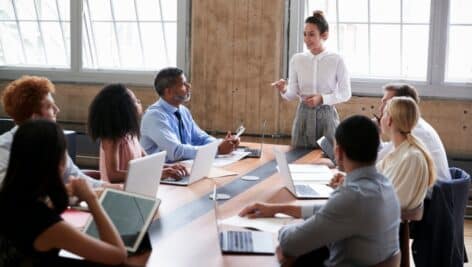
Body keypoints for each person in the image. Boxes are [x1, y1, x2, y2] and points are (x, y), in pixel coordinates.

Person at [239, 115, 400, 266]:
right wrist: (279, 209)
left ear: (339, 152)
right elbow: (329, 211)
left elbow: (290, 243)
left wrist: (282, 227)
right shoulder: (385, 185)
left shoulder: (352, 197)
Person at [0, 120, 126, 265]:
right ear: (58, 163)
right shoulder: (46, 224)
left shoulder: (11, 199)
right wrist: (91, 199)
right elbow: (118, 255)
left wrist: (65, 196)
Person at [0, 76, 103, 188]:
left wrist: (119, 189)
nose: (57, 110)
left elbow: (80, 179)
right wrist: (73, 193)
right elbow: (15, 195)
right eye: (49, 107)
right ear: (34, 119)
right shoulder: (3, 149)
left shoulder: (52, 142)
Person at [272, 11, 351, 148]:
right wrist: (283, 89)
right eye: (305, 34)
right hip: (303, 116)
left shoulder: (337, 59)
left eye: (311, 34)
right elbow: (291, 94)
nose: (307, 39)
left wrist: (322, 99)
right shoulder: (297, 59)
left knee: (329, 160)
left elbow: (345, 93)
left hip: (327, 117)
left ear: (324, 35)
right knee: (298, 159)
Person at [88, 84, 188, 183]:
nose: (139, 101)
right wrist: (158, 173)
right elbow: (113, 175)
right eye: (135, 100)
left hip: (134, 187)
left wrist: (169, 167)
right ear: (124, 109)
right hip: (116, 192)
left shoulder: (131, 134)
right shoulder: (112, 139)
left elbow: (147, 162)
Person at [140, 67, 239, 162]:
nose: (189, 86)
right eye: (183, 84)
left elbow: (201, 138)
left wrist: (223, 143)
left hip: (182, 168)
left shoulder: (183, 111)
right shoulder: (155, 116)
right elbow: (175, 152)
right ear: (169, 92)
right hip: (162, 174)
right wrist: (217, 150)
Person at [376, 83, 451, 180]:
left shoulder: (412, 131)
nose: (380, 108)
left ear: (400, 105)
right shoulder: (414, 125)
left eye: (386, 103)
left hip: (431, 193)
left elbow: (376, 164)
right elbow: (387, 153)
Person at [377, 96, 436, 210]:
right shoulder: (400, 151)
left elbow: (392, 203)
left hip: (386, 223)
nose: (381, 118)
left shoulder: (411, 158)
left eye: (384, 114)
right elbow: (374, 175)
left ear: (389, 120)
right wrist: (348, 181)